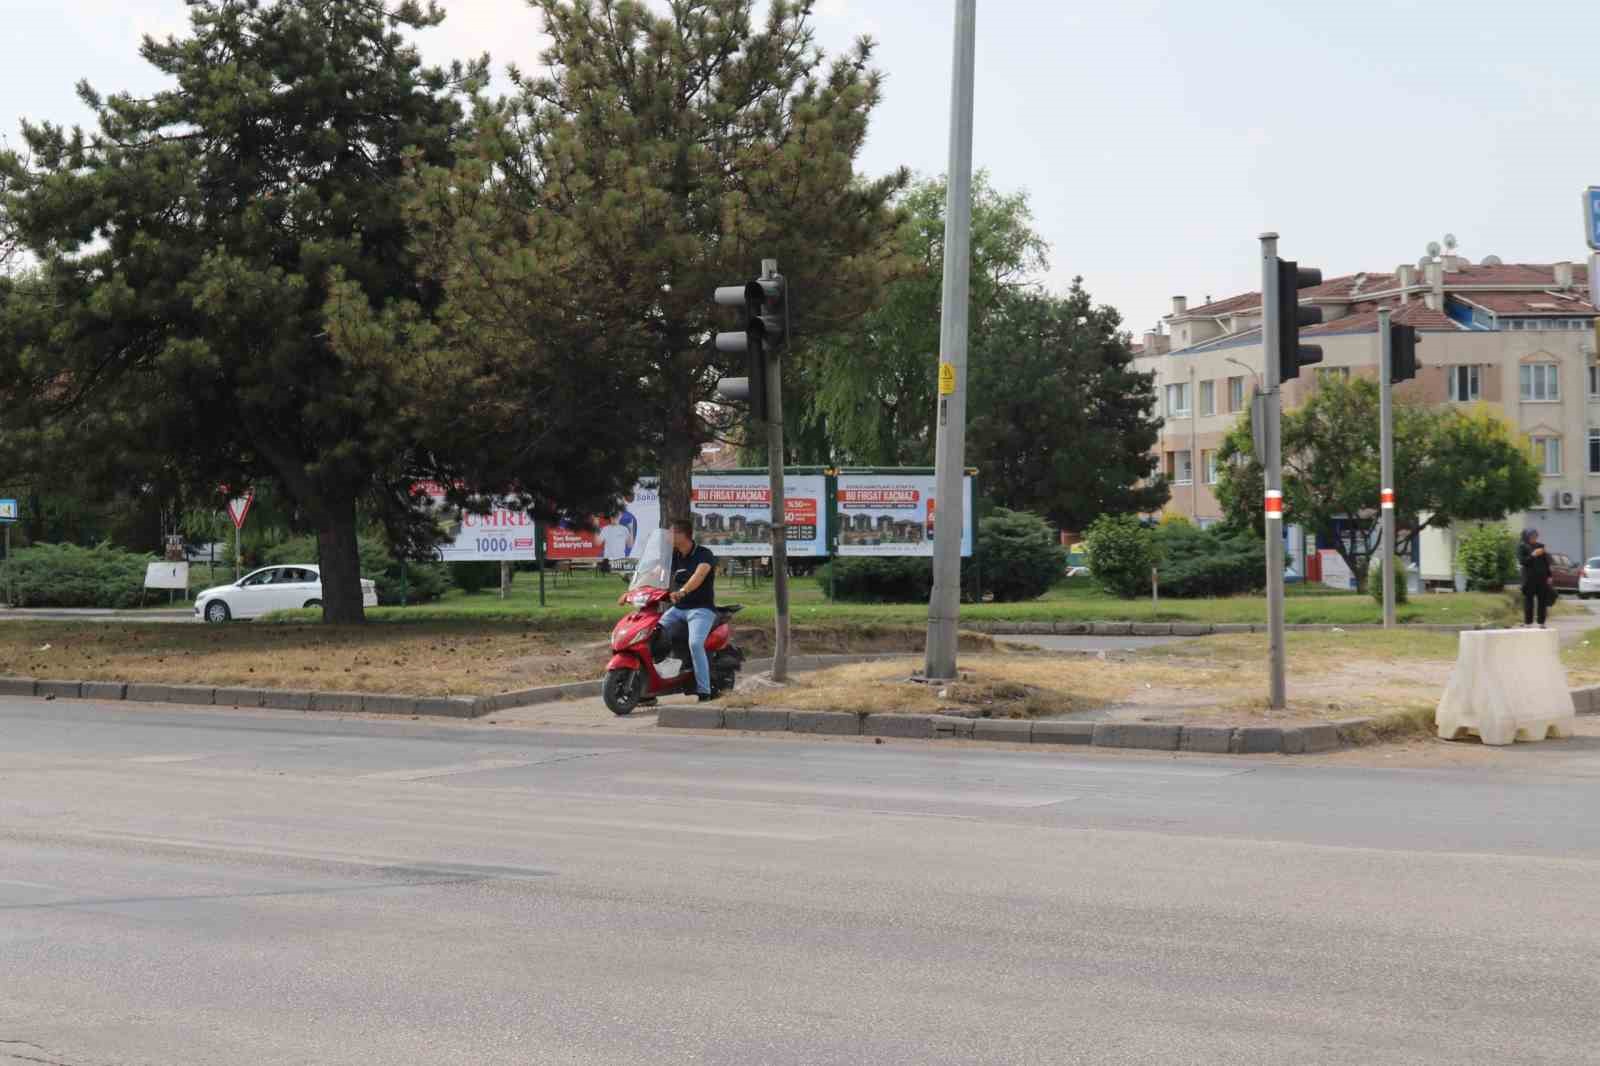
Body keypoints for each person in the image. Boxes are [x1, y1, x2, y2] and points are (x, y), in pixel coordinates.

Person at [660, 518, 719, 701]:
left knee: (695, 644)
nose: (668, 536)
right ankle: (652, 684)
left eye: (671, 532)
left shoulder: (704, 554)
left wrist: (683, 591)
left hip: (701, 609)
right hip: (678, 609)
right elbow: (656, 572)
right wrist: (632, 591)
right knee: (653, 633)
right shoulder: (674, 556)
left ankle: (704, 690)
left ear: (682, 535)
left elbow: (699, 575)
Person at [1518, 528, 1554, 628]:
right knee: (1529, 600)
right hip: (1529, 578)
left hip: (1542, 577)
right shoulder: (1522, 547)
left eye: (1535, 536)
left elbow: (1546, 562)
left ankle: (1541, 623)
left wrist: (1549, 575)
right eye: (1532, 536)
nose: (1534, 538)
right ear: (1526, 536)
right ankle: (1528, 623)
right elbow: (1523, 561)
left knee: (1542, 600)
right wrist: (1533, 555)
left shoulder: (1540, 546)